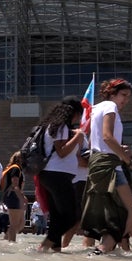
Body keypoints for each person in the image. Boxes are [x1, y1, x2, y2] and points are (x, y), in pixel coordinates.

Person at [81, 78, 132, 254]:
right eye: (123, 95)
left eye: (128, 97)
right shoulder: (110, 107)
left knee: (114, 213)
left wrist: (119, 150)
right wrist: (131, 163)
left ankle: (108, 251)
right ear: (112, 93)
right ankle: (103, 250)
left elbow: (96, 142)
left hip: (99, 163)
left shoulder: (95, 109)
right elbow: (107, 137)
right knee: (129, 213)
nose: (125, 100)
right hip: (110, 165)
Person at [36, 96, 85, 252]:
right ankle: (44, 246)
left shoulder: (50, 125)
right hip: (57, 175)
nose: (79, 118)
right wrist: (78, 136)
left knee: (57, 218)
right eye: (79, 114)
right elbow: (62, 152)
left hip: (49, 175)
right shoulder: (61, 126)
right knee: (73, 216)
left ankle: (55, 252)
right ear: (73, 112)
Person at [0, 151, 26, 242]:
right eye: (24, 158)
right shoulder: (15, 169)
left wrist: (22, 196)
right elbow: (15, 185)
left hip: (13, 195)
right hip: (13, 196)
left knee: (21, 223)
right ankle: (11, 243)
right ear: (19, 159)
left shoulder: (16, 168)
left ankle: (6, 239)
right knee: (14, 224)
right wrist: (21, 198)